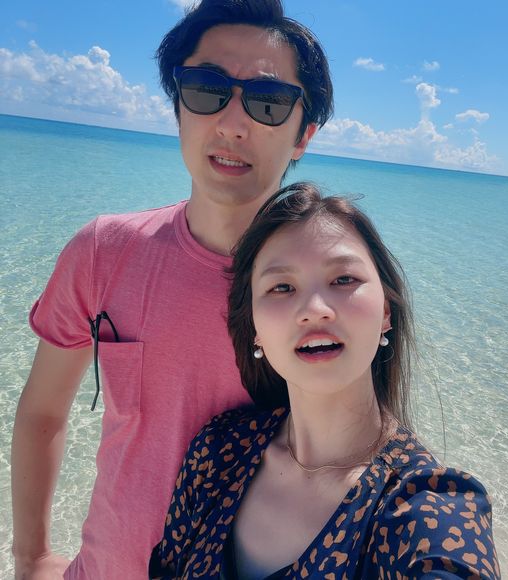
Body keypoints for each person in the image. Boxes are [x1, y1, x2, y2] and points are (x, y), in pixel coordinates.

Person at [10, 1, 333, 578]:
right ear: (178, 107)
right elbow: (42, 411)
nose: (232, 124)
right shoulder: (103, 251)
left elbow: (369, 454)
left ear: (302, 135)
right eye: (207, 89)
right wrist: (31, 557)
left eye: (267, 102)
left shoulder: (323, 293)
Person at [149, 182, 501, 579]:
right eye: (282, 287)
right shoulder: (218, 451)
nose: (315, 309)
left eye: (344, 280)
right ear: (255, 330)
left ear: (386, 312)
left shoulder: (424, 505)